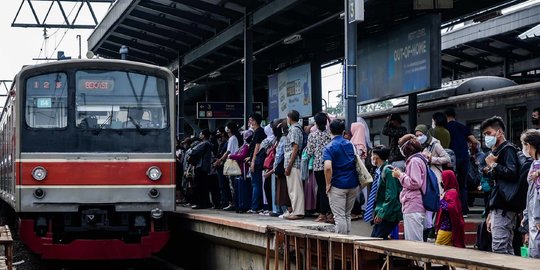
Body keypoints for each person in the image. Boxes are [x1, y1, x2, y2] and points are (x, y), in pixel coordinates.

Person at [481, 116, 520, 255]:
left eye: (489, 133)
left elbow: (512, 172)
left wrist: (493, 165)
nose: (487, 137)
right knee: (506, 247)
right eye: (485, 134)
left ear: (499, 132)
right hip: (500, 205)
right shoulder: (498, 151)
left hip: (504, 205)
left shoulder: (507, 150)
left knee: (499, 247)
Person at [415, 124, 451, 241]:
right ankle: (428, 229)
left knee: (434, 203)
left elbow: (447, 158)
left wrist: (432, 159)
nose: (419, 137)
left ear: (426, 134)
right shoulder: (418, 145)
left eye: (421, 135)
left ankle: (432, 230)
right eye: (417, 135)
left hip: (435, 177)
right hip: (425, 177)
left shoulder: (435, 144)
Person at [324, 119, 359, 234]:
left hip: (338, 185)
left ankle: (341, 244)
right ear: (343, 131)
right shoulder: (351, 145)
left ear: (330, 130)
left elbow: (328, 167)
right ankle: (348, 241)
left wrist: (328, 183)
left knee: (339, 216)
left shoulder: (329, 147)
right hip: (353, 184)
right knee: (347, 214)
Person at [444, 108, 479, 216]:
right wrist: (472, 153)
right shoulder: (462, 127)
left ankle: (451, 209)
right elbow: (475, 142)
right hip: (464, 157)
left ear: (446, 117)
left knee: (450, 184)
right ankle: (464, 210)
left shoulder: (445, 128)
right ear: (455, 116)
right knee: (462, 185)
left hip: (451, 159)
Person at [392, 135, 426, 242]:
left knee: (414, 244)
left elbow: (415, 183)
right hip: (415, 204)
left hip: (413, 205)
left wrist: (400, 175)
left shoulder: (414, 161)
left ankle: (419, 260)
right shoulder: (419, 159)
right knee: (414, 242)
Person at [366, 146, 402, 239]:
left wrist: (382, 213)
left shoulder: (388, 171)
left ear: (376, 157)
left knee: (376, 240)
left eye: (372, 155)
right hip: (382, 212)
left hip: (388, 214)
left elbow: (391, 195)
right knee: (377, 239)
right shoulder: (379, 171)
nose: (371, 158)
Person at [306, 112, 332, 223]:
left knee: (322, 190)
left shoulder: (312, 135)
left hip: (318, 166)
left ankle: (322, 214)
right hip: (330, 165)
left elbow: (309, 152)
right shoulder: (330, 135)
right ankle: (331, 214)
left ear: (316, 123)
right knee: (330, 189)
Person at [520, 129, 540, 258]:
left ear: (528, 145)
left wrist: (537, 217)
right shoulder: (534, 164)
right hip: (534, 217)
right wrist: (526, 215)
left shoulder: (537, 166)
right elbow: (531, 193)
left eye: (523, 144)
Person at [215, 123, 242, 211]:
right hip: (234, 161)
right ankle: (234, 203)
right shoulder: (234, 138)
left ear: (229, 129)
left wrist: (220, 160)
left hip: (231, 162)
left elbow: (228, 152)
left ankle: (232, 203)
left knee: (231, 184)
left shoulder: (232, 138)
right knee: (232, 184)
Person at [435, 170, 465, 248]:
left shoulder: (451, 193)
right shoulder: (451, 192)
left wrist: (441, 201)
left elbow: (451, 208)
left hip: (446, 229)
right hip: (447, 229)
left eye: (443, 179)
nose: (441, 181)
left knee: (437, 252)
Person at [283, 110, 305, 220]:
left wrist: (289, 165)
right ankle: (294, 210)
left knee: (296, 189)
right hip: (291, 163)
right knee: (292, 188)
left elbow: (295, 148)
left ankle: (298, 212)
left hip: (294, 163)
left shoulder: (295, 130)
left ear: (290, 118)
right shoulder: (294, 129)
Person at [228, 129, 254, 213]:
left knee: (243, 189)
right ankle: (239, 205)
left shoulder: (246, 146)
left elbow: (241, 156)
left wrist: (231, 156)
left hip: (244, 170)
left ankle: (243, 205)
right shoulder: (244, 145)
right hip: (240, 170)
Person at [247, 113, 267, 214]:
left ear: (255, 121)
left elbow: (257, 147)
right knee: (256, 183)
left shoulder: (259, 132)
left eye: (251, 120)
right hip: (256, 160)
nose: (249, 122)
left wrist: (253, 161)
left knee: (256, 184)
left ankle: (255, 207)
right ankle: (257, 206)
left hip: (258, 161)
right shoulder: (257, 132)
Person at [189, 129, 213, 209]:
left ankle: (201, 203)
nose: (199, 135)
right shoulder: (208, 144)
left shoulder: (204, 144)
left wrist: (191, 151)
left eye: (201, 133)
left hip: (201, 166)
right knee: (204, 186)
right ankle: (206, 203)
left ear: (204, 135)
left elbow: (193, 152)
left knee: (200, 186)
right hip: (205, 167)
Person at [273, 119, 292, 217]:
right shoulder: (290, 136)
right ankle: (287, 210)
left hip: (282, 166)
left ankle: (287, 210)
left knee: (283, 189)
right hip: (288, 165)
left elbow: (279, 154)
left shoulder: (283, 138)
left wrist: (275, 166)